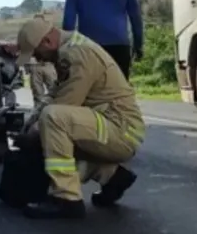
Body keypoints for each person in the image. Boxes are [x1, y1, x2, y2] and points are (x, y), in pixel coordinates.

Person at [14, 17, 145, 220]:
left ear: (47, 42)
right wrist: (31, 121)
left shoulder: (75, 54)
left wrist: (33, 134)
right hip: (113, 127)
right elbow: (54, 93)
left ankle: (67, 199)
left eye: (37, 54)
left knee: (54, 120)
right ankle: (112, 176)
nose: (39, 61)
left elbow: (64, 104)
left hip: (120, 131)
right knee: (53, 135)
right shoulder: (68, 50)